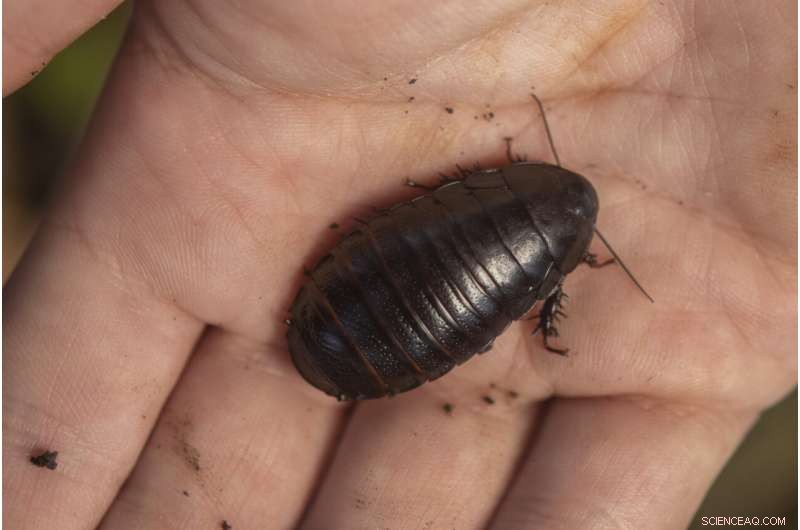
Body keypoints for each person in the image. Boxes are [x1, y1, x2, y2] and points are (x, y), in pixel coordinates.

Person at [4, 1, 796, 528]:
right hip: (378, 327)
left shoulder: (482, 195)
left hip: (376, 305)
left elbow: (437, 207)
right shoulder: (545, 268)